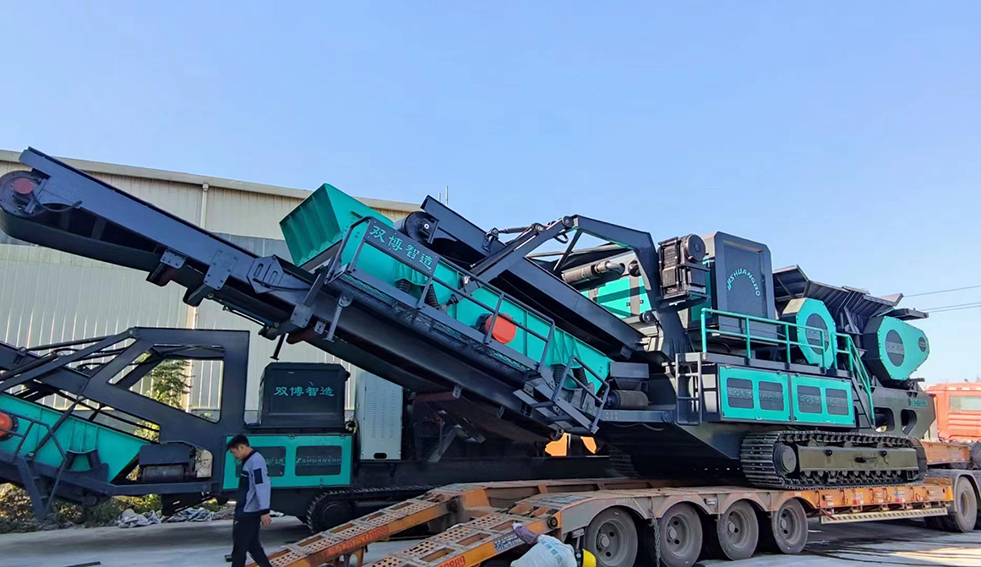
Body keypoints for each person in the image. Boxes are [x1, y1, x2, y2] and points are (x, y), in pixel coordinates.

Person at [227, 434, 273, 567]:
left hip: (247, 512)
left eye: (233, 452)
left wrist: (265, 511)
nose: (234, 456)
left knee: (239, 550)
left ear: (241, 447)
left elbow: (262, 485)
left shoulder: (256, 461)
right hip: (246, 510)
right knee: (253, 546)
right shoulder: (250, 460)